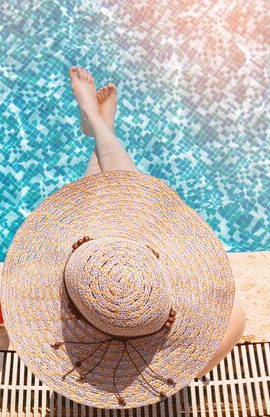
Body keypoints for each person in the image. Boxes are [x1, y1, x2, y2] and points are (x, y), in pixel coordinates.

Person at [69, 66, 246, 378]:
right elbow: (232, 312)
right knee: (123, 198)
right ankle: (98, 126)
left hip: (96, 292)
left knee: (113, 202)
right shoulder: (223, 329)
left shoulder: (80, 363)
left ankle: (98, 124)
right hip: (134, 318)